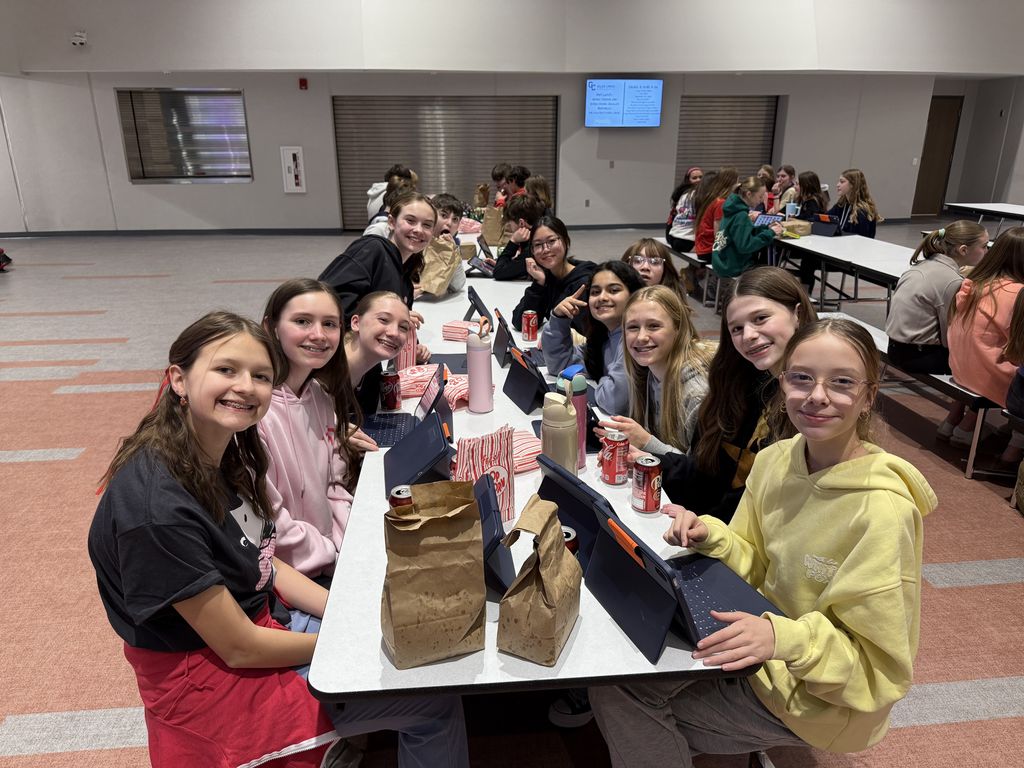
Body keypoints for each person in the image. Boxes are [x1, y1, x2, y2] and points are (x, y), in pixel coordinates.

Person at [88, 311, 469, 768]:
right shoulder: (157, 511)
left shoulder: (221, 451)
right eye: (226, 370)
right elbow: (239, 646)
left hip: (262, 618)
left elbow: (266, 562)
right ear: (179, 380)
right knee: (432, 702)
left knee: (392, 603)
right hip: (208, 673)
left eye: (261, 376)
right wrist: (352, 637)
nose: (246, 386)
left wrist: (344, 612)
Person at [591, 317, 937, 768]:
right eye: (801, 378)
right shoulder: (777, 459)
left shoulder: (883, 513)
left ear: (869, 396)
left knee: (627, 706)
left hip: (818, 697)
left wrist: (782, 637)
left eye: (842, 382)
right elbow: (755, 562)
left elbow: (878, 670)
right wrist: (713, 535)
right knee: (618, 668)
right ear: (782, 382)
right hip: (762, 646)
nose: (816, 396)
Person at [657, 267, 817, 522]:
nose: (749, 335)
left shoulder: (817, 405)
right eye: (737, 328)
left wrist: (707, 530)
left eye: (761, 318)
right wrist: (653, 461)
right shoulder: (734, 385)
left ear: (797, 314)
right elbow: (705, 476)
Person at [258, 279, 366, 586]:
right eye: (302, 321)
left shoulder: (319, 394)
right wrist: (333, 553)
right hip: (289, 578)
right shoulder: (255, 414)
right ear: (271, 327)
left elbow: (334, 484)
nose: (318, 335)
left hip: (330, 559)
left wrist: (351, 545)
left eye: (329, 324)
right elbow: (271, 525)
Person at [885, 221, 989, 442]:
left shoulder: (925, 266)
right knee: (984, 364)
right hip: (919, 356)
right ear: (963, 250)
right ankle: (964, 426)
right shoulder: (952, 280)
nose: (987, 251)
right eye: (984, 246)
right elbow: (951, 335)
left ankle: (954, 419)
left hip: (895, 347)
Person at [319, 191, 433, 362]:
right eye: (410, 221)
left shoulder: (404, 278)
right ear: (392, 222)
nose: (418, 230)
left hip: (365, 362)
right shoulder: (372, 249)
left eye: (427, 225)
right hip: (333, 361)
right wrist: (392, 319)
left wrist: (412, 348)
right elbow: (329, 303)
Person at [598, 285, 713, 456]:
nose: (641, 337)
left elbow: (698, 473)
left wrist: (646, 444)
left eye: (653, 326)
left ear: (678, 329)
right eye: (633, 327)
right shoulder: (648, 371)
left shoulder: (698, 393)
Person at [947, 226, 1024, 463]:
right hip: (987, 374)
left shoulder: (975, 282)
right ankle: (1014, 446)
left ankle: (954, 421)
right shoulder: (1017, 293)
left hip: (959, 367)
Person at [541, 260, 644, 415]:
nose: (602, 297)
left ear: (634, 295)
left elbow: (613, 402)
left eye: (613, 290)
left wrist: (601, 379)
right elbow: (560, 366)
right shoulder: (602, 336)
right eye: (595, 292)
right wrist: (558, 320)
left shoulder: (637, 340)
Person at [511, 215, 595, 332]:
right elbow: (521, 323)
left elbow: (583, 334)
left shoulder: (583, 283)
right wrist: (538, 284)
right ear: (532, 251)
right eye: (538, 244)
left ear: (566, 241)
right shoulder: (547, 276)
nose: (545, 249)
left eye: (551, 241)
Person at [345, 290, 413, 417]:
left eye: (403, 327)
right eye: (383, 320)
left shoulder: (373, 369)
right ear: (356, 323)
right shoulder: (325, 373)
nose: (394, 333)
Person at [712, 176, 784, 278]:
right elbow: (745, 246)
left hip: (721, 261)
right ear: (749, 194)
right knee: (770, 273)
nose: (761, 201)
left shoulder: (732, 208)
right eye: (760, 196)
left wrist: (766, 228)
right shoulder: (741, 216)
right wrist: (770, 233)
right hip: (731, 267)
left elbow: (743, 232)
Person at [416, 192, 467, 296]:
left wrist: (454, 253)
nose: (449, 223)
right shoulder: (416, 242)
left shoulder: (450, 246)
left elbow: (457, 286)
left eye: (455, 219)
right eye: (444, 215)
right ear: (431, 215)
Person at [490, 193, 546, 281]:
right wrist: (503, 263)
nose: (510, 227)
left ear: (521, 223)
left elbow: (498, 273)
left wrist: (513, 241)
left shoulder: (533, 248)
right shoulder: (539, 234)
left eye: (510, 223)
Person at [792, 170, 831, 291]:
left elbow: (809, 220)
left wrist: (795, 218)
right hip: (808, 240)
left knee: (807, 264)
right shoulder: (805, 200)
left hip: (814, 243)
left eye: (798, 184)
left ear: (806, 186)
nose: (795, 186)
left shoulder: (813, 202)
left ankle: (805, 290)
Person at [620, 237, 688, 305]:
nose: (645, 267)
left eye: (655, 262)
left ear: (665, 269)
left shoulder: (672, 307)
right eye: (638, 260)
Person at [828, 168, 881, 237]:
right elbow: (825, 218)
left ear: (853, 185)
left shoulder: (862, 211)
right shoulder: (841, 205)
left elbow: (860, 239)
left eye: (842, 182)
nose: (837, 185)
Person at [667, 167, 703, 249]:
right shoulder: (696, 194)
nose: (698, 180)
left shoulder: (681, 193)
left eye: (701, 177)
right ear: (688, 180)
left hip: (672, 236)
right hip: (685, 240)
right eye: (694, 178)